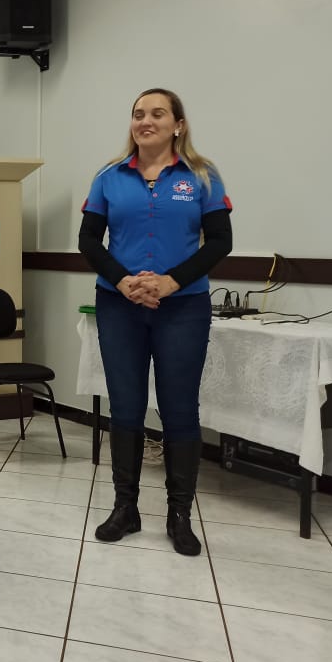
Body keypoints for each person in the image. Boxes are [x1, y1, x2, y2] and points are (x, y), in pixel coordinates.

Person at [78, 87, 232, 556]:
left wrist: (170, 282)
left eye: (158, 114)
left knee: (179, 409)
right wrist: (123, 281)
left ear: (177, 125)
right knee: (125, 408)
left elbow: (220, 241)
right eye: (138, 114)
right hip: (118, 305)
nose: (146, 121)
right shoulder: (109, 177)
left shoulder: (202, 175)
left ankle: (179, 514)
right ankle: (125, 509)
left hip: (182, 308)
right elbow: (88, 240)